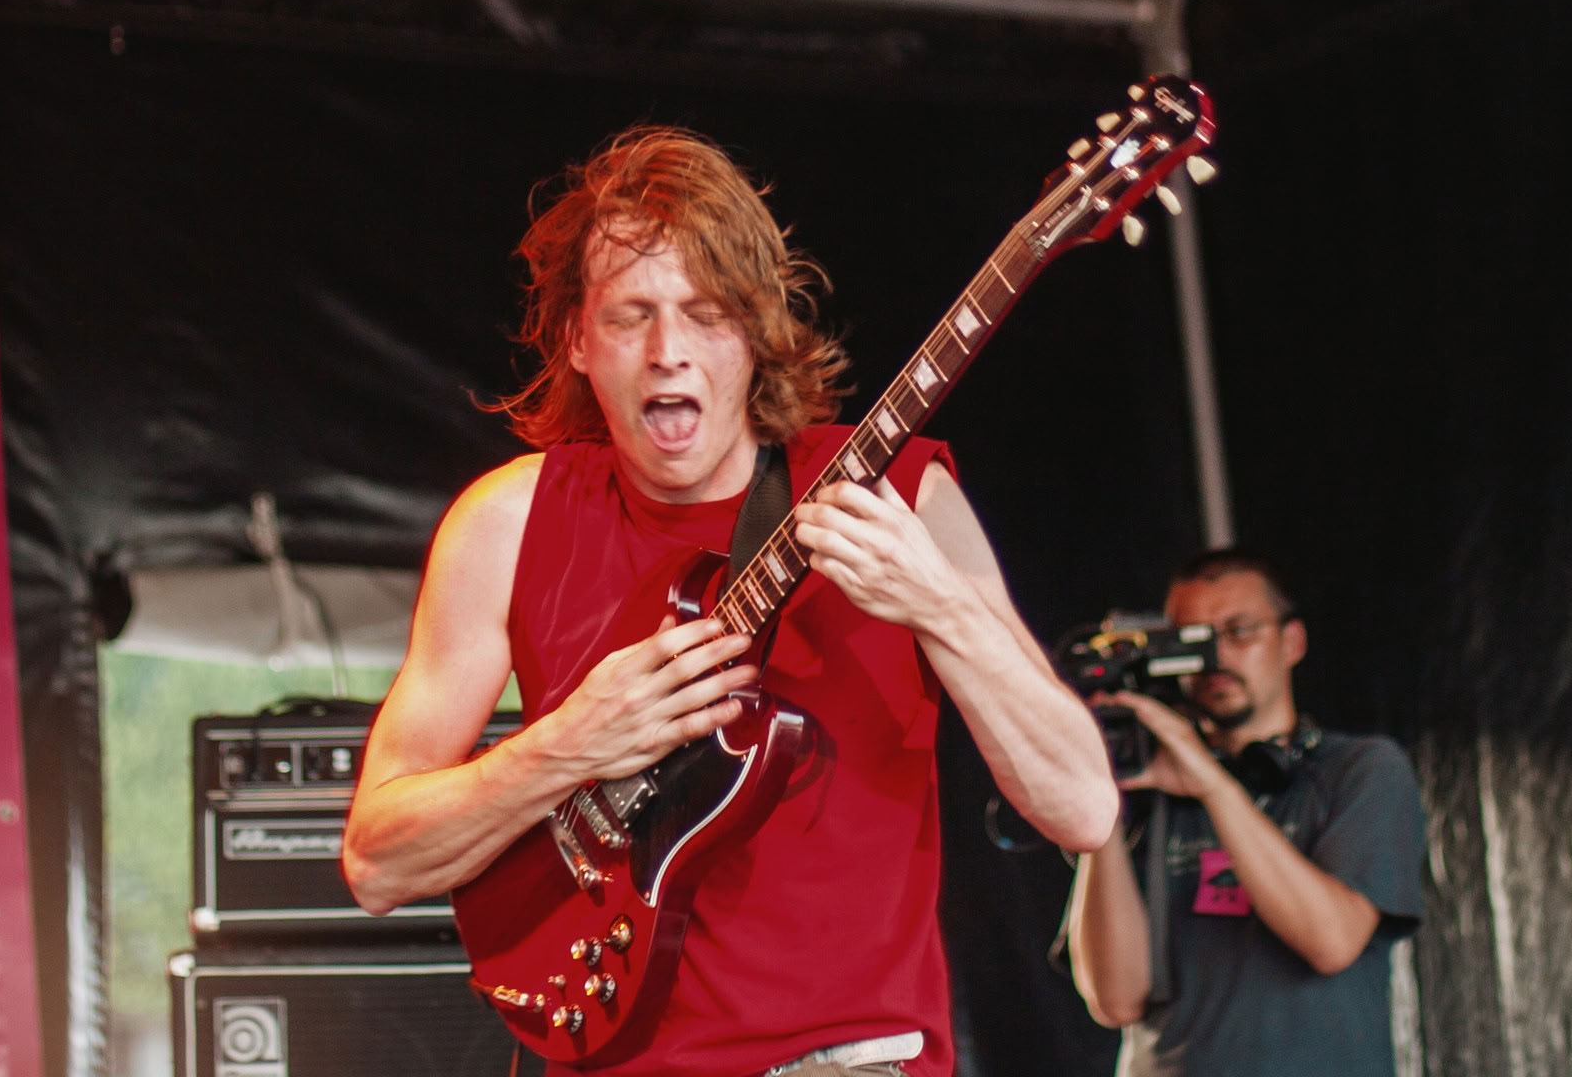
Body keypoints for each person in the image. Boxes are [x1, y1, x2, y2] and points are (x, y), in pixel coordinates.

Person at [342, 126, 1117, 1077]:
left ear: (754, 336)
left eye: (705, 313)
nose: (668, 352)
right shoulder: (507, 521)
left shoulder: (899, 495)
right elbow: (378, 863)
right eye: (631, 315)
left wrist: (941, 608)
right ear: (578, 340)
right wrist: (566, 746)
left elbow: (1083, 808)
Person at [1064, 551, 1427, 1077]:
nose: (1216, 658)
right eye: (1193, 639)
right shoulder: (1148, 781)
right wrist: (1103, 805)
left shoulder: (1359, 769)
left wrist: (1212, 785)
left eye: (1238, 632)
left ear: (1292, 641)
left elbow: (1331, 942)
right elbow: (1115, 1000)